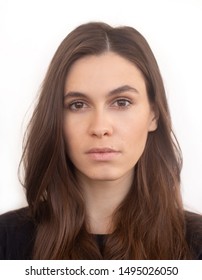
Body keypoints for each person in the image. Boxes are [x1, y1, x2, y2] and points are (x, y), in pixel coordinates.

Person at [0, 22, 202, 260]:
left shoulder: (195, 245)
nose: (100, 128)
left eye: (122, 102)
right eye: (78, 105)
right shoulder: (7, 240)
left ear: (153, 115)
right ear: (56, 118)